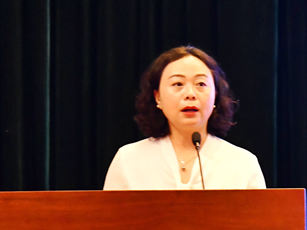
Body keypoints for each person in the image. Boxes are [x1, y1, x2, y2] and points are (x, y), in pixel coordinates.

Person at [103, 46, 266, 190]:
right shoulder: (129, 160)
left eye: (201, 84)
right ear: (158, 97)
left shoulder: (243, 164)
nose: (190, 94)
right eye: (178, 84)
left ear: (215, 96)